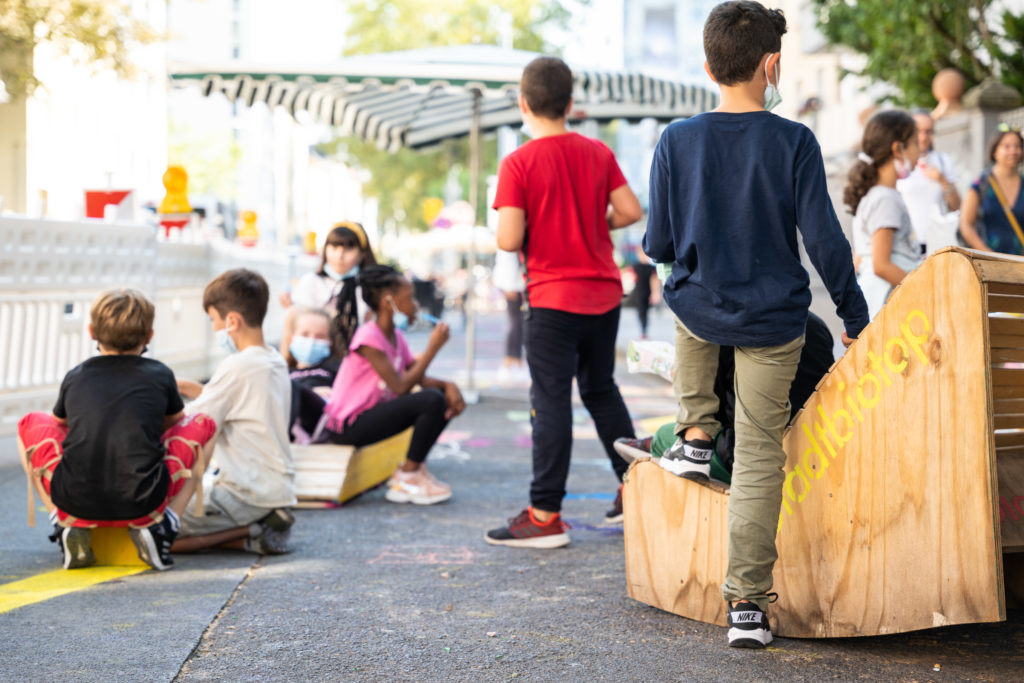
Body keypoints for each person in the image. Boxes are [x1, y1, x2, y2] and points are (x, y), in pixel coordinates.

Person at [644, 2, 869, 648]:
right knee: (760, 455)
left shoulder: (675, 140)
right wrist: (854, 315)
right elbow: (825, 242)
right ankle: (746, 606)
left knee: (687, 299)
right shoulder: (794, 141)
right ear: (772, 65)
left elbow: (659, 242)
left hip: (700, 309)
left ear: (708, 66)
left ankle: (694, 432)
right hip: (774, 319)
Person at [486, 56, 643, 549]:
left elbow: (509, 239)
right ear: (570, 104)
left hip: (553, 299)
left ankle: (545, 514)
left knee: (551, 400)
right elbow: (630, 210)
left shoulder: (518, 163)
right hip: (603, 294)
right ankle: (635, 491)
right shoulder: (597, 151)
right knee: (600, 390)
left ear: (523, 104)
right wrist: (595, 223)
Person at [17, 289, 215, 571]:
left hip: (74, 500)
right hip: (145, 501)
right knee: (205, 425)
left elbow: (59, 423)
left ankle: (62, 524)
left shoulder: (76, 376)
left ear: (91, 331)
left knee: (28, 423)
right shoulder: (161, 374)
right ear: (149, 336)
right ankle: (167, 524)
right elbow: (176, 423)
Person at [616, 313, 835, 485]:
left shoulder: (726, 330)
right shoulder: (815, 324)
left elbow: (711, 417)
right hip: (817, 446)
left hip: (751, 452)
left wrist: (689, 383)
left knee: (666, 437)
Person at [318, 265, 466, 505]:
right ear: (389, 302)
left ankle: (414, 470)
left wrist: (448, 385)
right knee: (431, 400)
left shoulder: (396, 337)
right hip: (348, 425)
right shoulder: (368, 337)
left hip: (369, 416)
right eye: (410, 297)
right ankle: (407, 477)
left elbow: (417, 377)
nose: (415, 304)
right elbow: (400, 387)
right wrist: (433, 348)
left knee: (440, 396)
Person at [175, 269, 297, 555]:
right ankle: (253, 534)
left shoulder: (237, 366)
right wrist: (187, 386)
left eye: (213, 320)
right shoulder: (273, 360)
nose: (214, 329)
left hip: (243, 494)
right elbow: (234, 402)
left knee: (154, 524)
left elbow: (193, 420)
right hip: (274, 489)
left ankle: (253, 530)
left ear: (232, 321)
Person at [847, 110, 921, 320]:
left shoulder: (877, 195)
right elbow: (881, 265)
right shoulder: (885, 199)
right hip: (887, 301)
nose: (919, 151)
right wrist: (922, 290)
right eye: (915, 143)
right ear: (898, 149)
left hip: (879, 299)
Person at [280, 222, 377, 360]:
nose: (340, 255)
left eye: (349, 248)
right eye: (334, 246)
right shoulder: (311, 281)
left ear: (362, 254)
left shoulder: (367, 289)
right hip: (309, 360)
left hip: (349, 359)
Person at [896, 111, 961, 253]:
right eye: (918, 131)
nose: (923, 137)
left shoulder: (942, 160)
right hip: (906, 243)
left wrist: (943, 180)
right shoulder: (898, 162)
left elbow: (957, 207)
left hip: (937, 243)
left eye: (928, 131)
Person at [959, 125, 1024, 255]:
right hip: (987, 262)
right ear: (995, 151)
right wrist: (988, 254)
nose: (1013, 151)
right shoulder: (981, 184)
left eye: (1017, 146)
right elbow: (966, 225)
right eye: (1007, 146)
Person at [285, 308, 339, 442]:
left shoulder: (335, 367)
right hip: (288, 414)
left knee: (293, 388)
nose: (311, 341)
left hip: (320, 416)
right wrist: (314, 391)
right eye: (304, 334)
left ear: (330, 342)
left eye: (320, 337)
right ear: (292, 338)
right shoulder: (284, 372)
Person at [492, 248, 526, 381]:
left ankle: (514, 362)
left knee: (518, 325)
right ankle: (512, 362)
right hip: (515, 286)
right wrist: (510, 286)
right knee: (516, 325)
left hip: (516, 285)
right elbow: (508, 260)